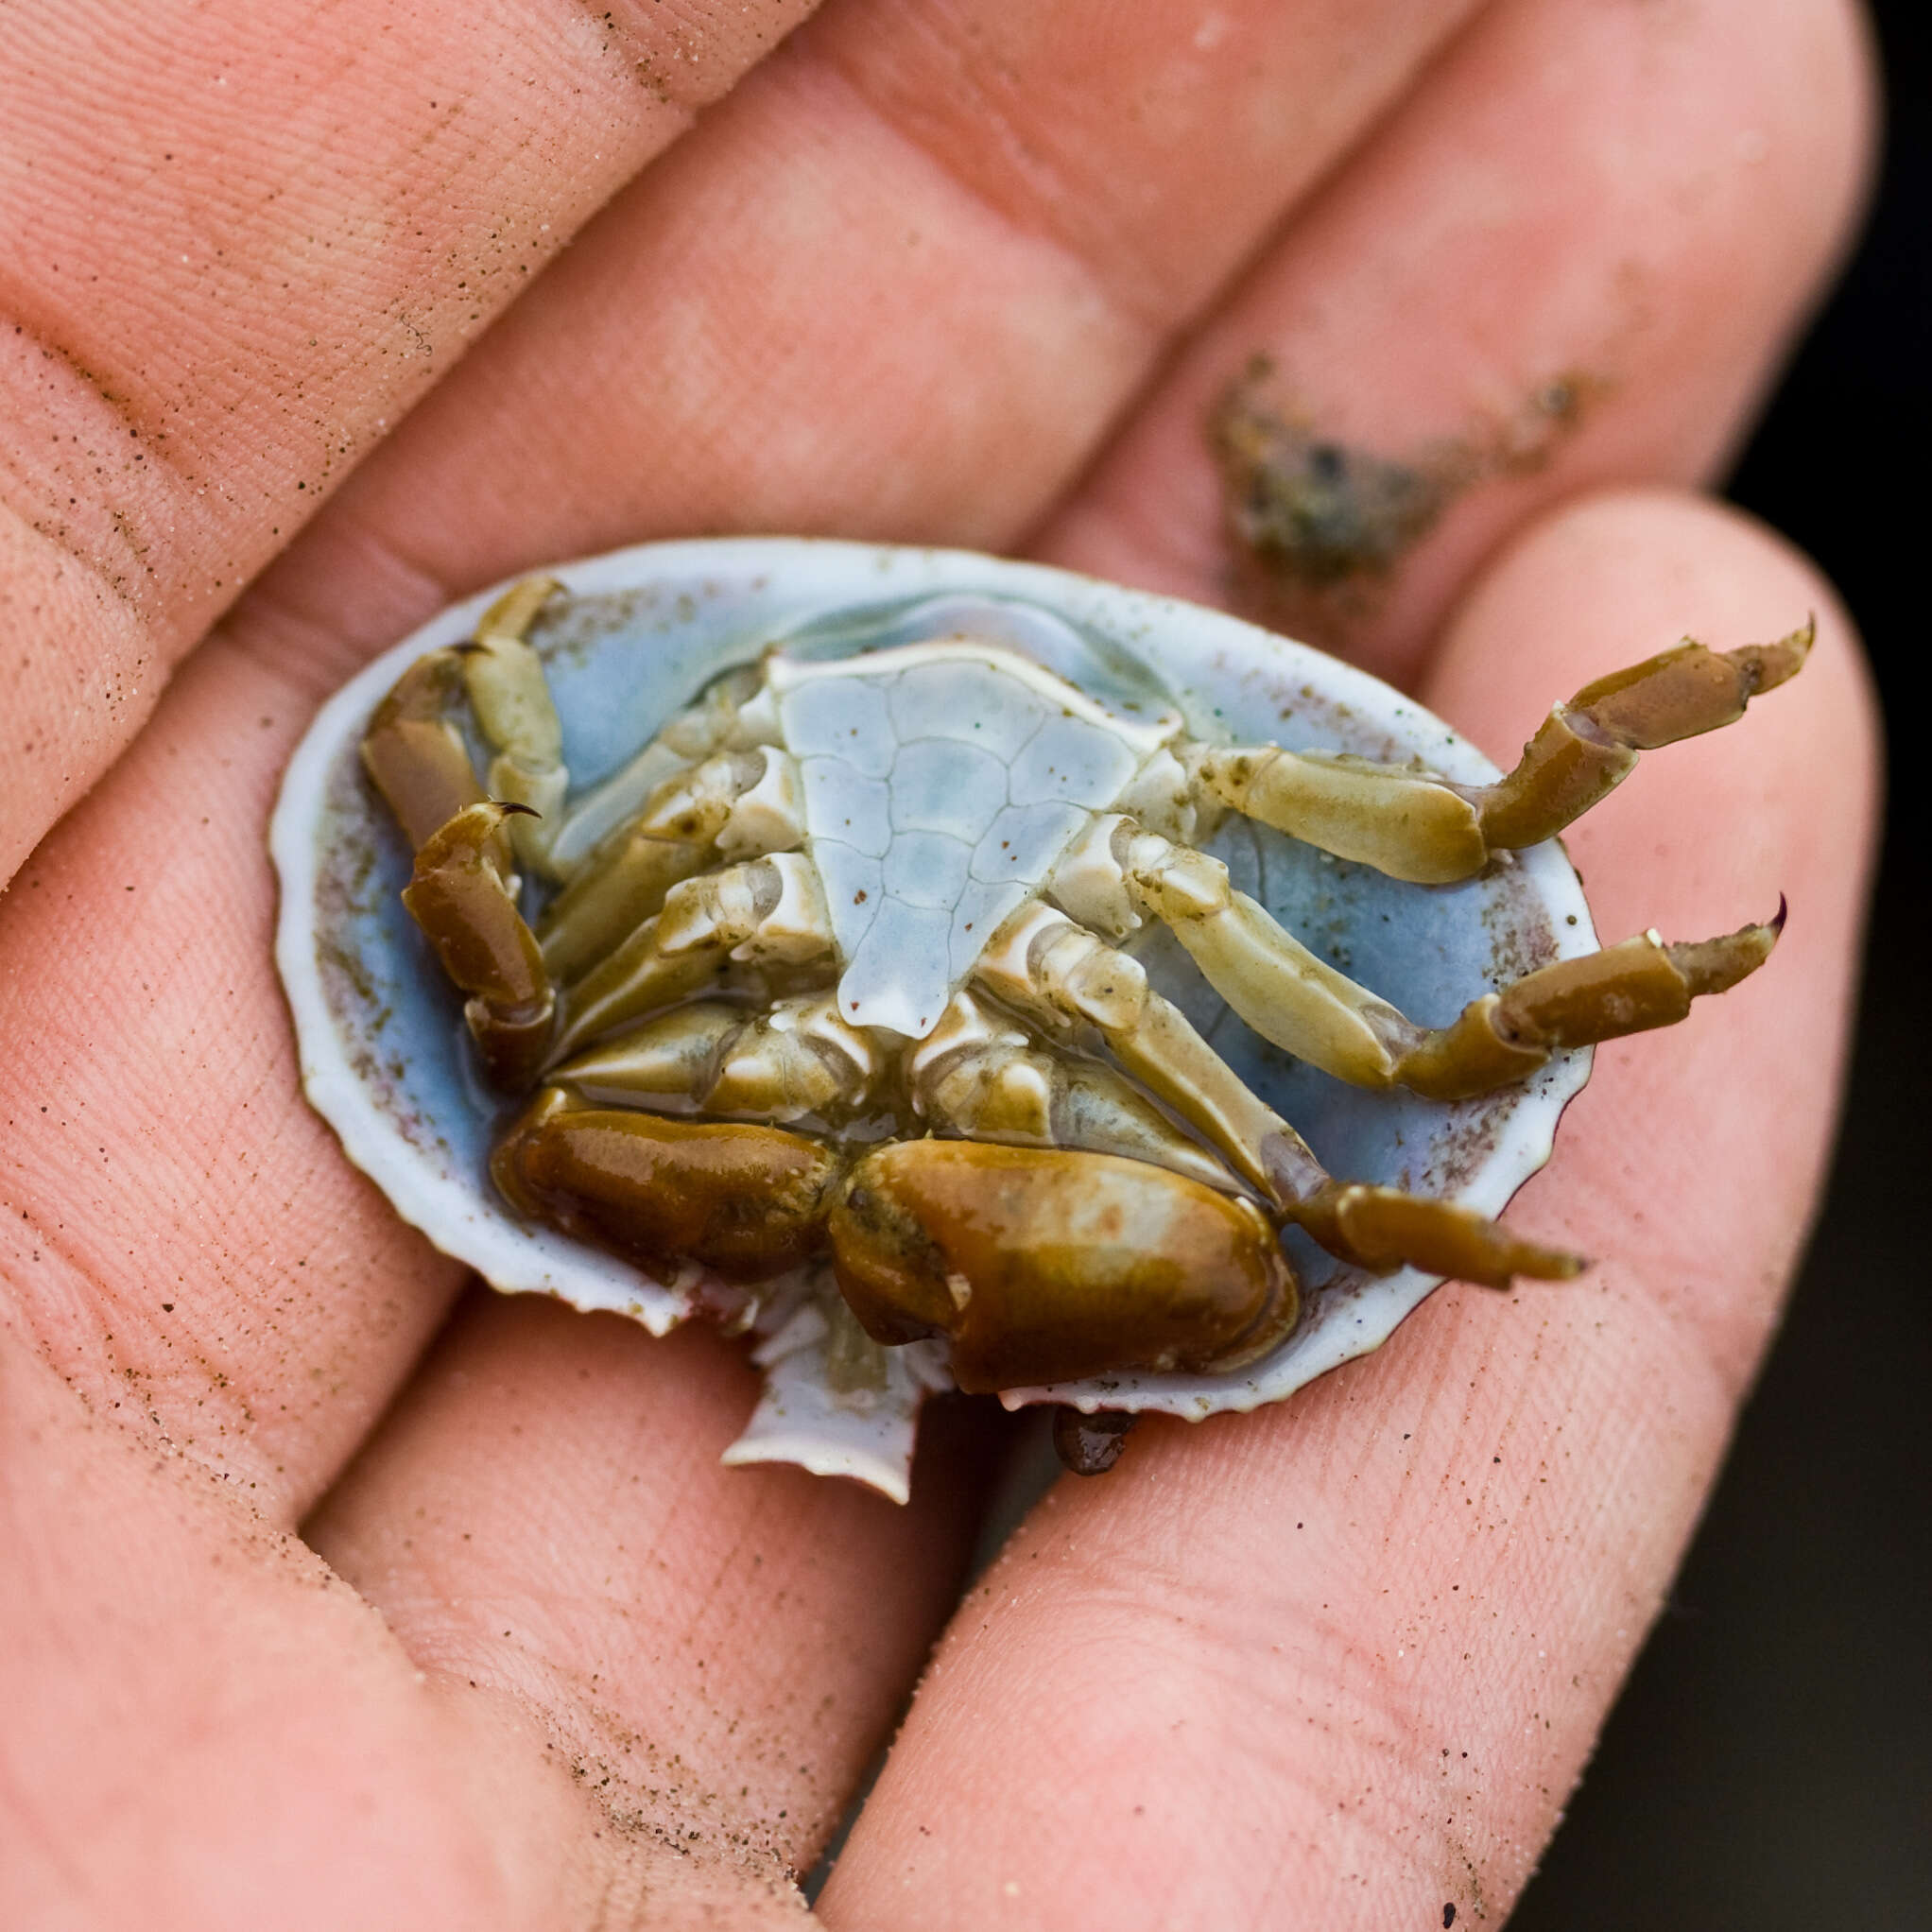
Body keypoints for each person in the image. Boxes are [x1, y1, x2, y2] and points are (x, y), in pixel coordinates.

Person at [0, 0, 1880, 1924]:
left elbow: (1440, 953)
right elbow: (459, 849)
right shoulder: (672, 808)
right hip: (760, 889)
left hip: (837, 889)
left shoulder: (1012, 818)